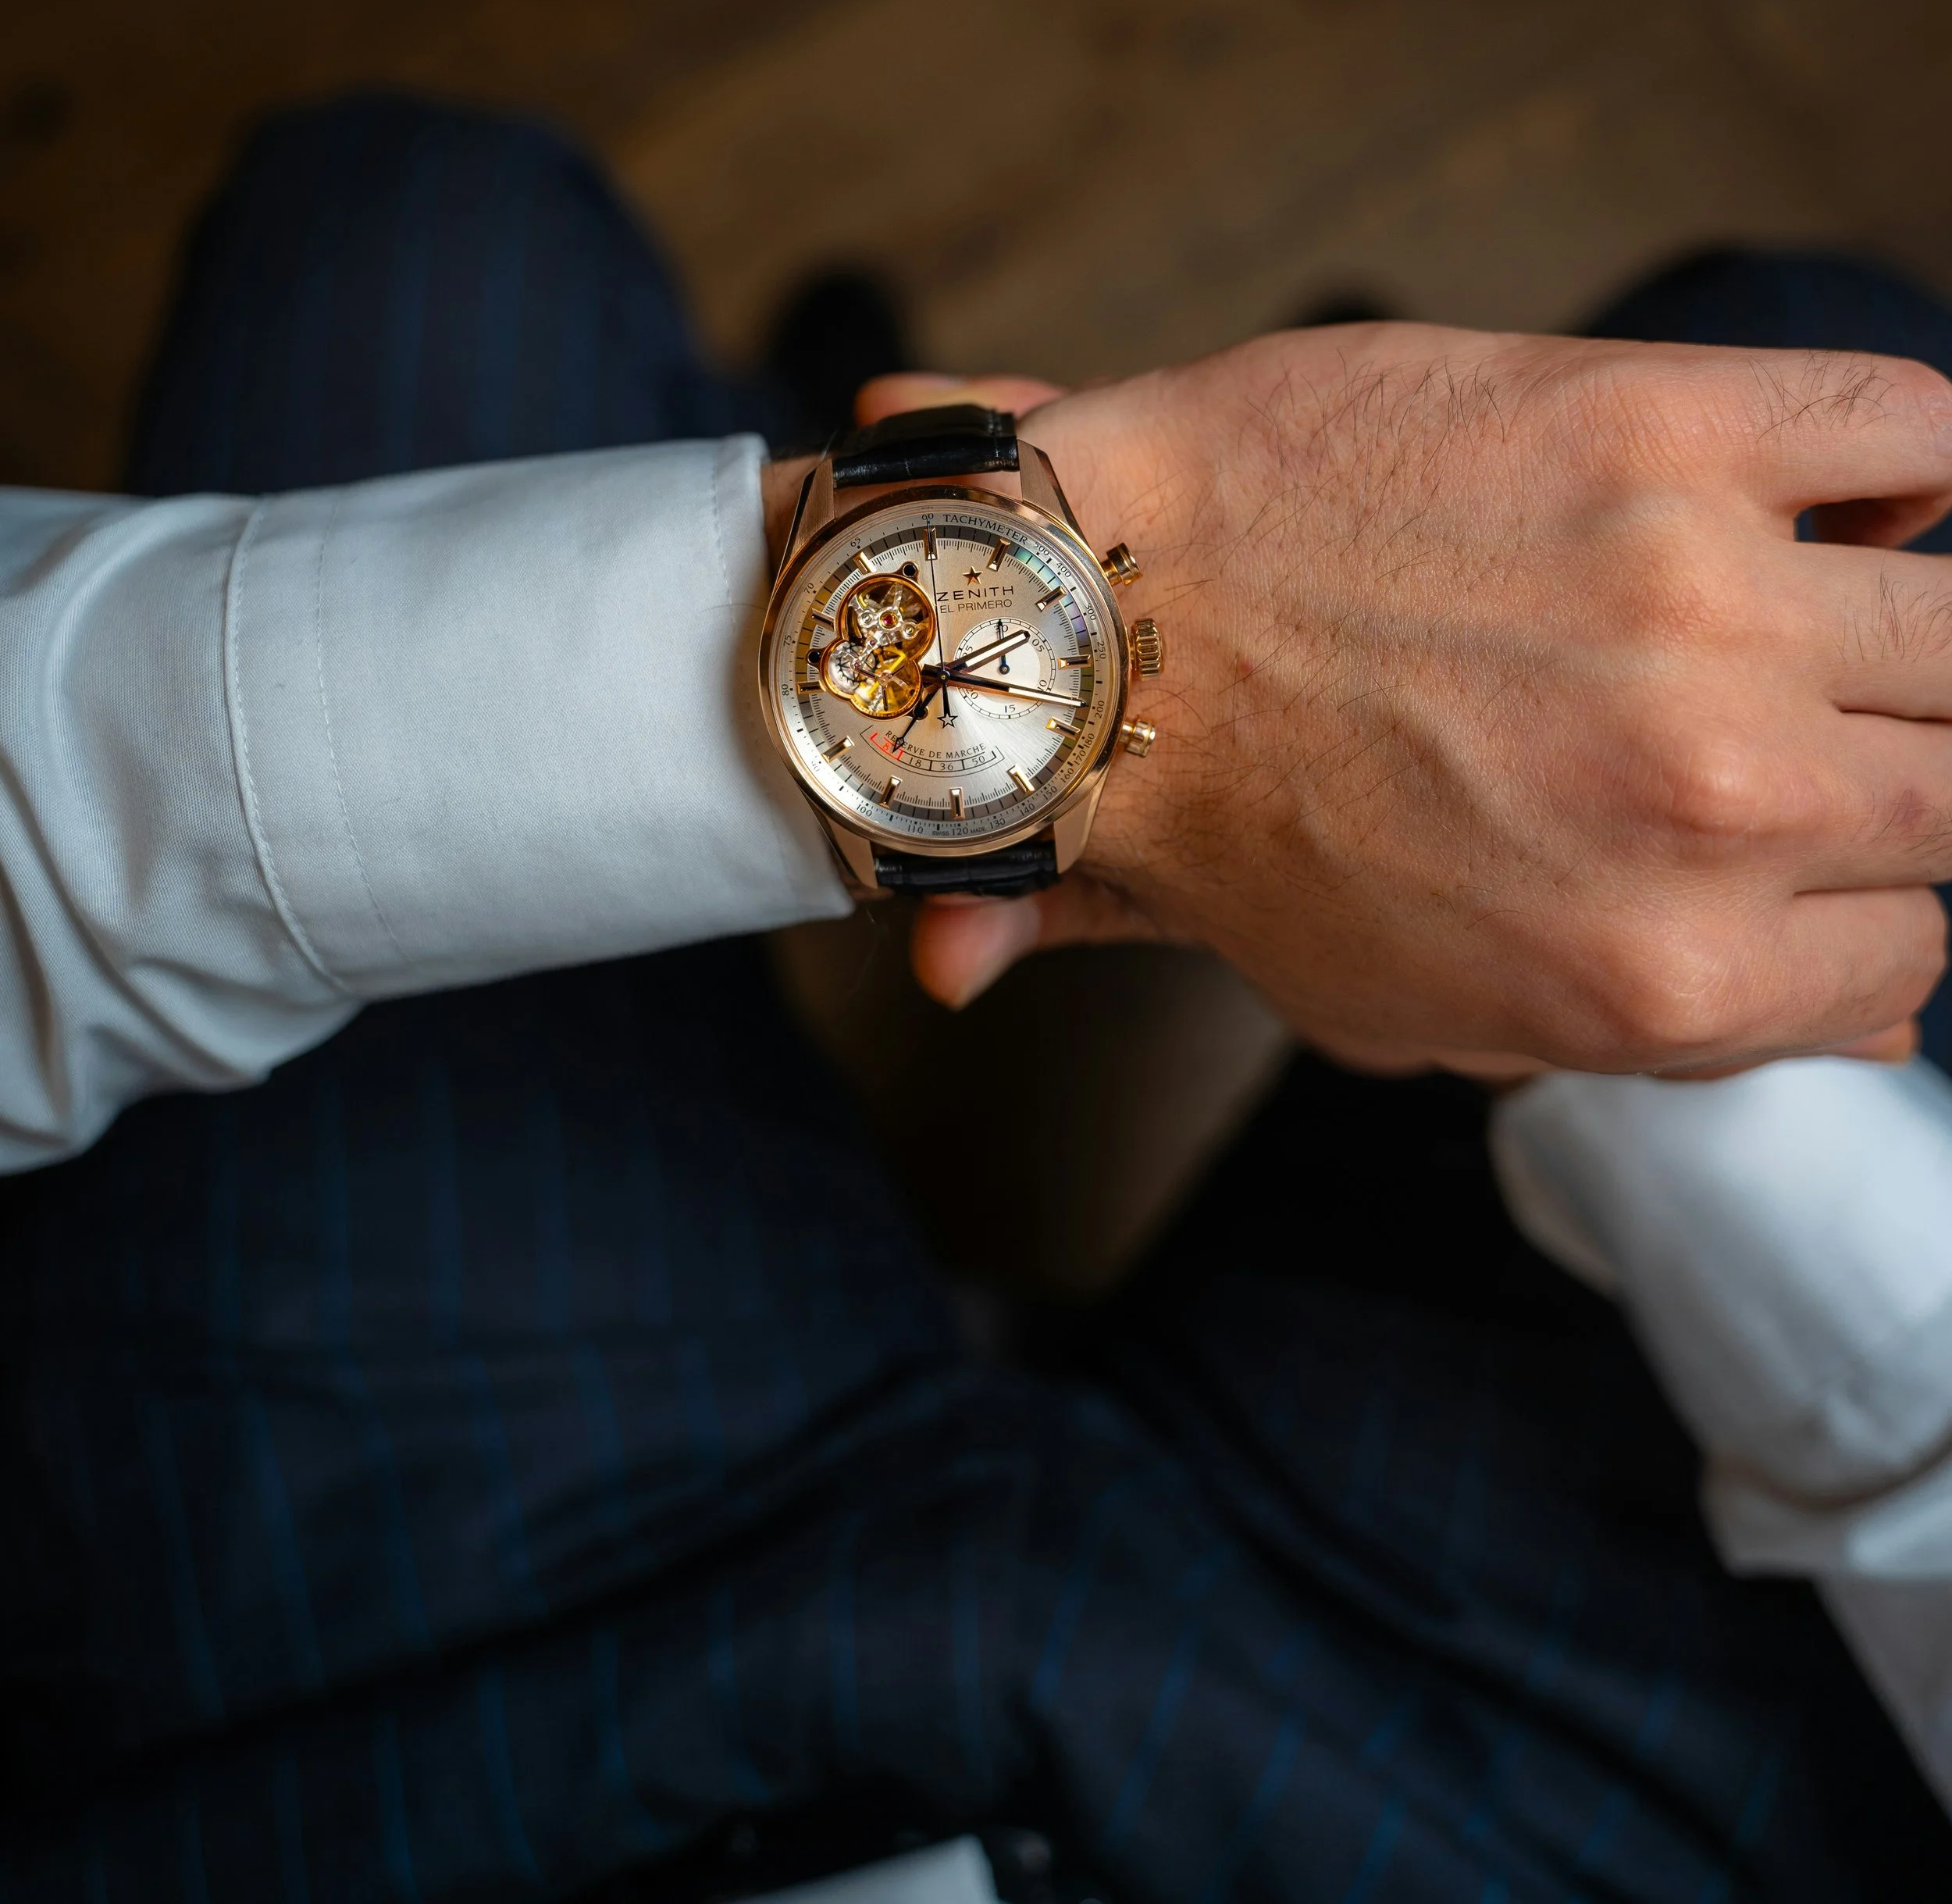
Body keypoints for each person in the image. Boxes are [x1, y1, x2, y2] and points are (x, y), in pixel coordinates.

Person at [3, 91, 1952, 1900]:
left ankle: (880, 413)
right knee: (1810, 378)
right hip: (1595, 1760)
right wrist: (1649, 1061)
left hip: (421, 1735)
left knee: (417, 227)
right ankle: (1175, 447)